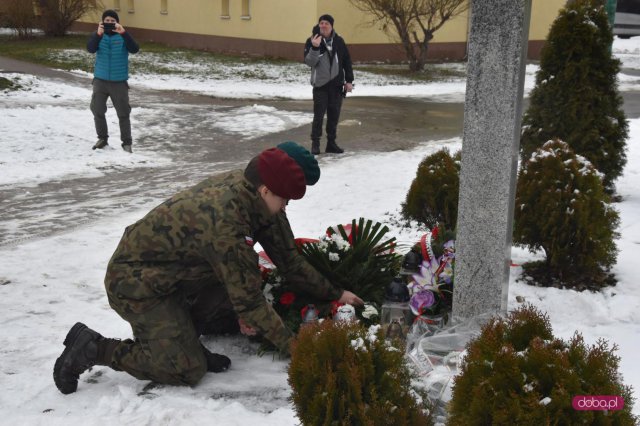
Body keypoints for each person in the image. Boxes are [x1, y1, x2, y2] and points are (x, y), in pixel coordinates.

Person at [53, 142, 364, 394]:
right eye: (285, 199)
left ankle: (184, 339)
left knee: (244, 277)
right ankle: (94, 348)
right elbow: (249, 301)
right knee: (185, 369)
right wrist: (299, 350)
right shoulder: (226, 222)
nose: (286, 207)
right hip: (137, 284)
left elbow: (289, 261)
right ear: (267, 190)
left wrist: (337, 293)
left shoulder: (253, 191)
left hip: (177, 277)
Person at [87, 10, 139, 153]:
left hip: (119, 82)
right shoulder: (98, 35)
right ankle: (102, 139)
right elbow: (90, 49)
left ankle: (127, 143)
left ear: (117, 22)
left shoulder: (123, 36)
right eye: (107, 21)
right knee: (97, 109)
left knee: (123, 113)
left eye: (112, 21)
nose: (109, 23)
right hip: (100, 81)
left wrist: (123, 33)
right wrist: (98, 34)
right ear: (102, 22)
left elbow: (134, 49)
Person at [304, 14, 354, 155]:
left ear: (331, 26)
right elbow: (309, 62)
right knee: (318, 117)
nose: (323, 25)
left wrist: (349, 81)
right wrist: (315, 47)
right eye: (321, 23)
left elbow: (346, 61)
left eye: (326, 23)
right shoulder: (312, 41)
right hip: (320, 86)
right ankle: (315, 144)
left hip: (337, 86)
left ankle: (331, 144)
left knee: (334, 117)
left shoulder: (339, 41)